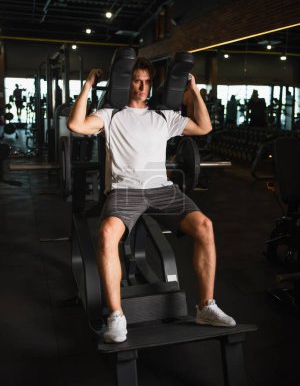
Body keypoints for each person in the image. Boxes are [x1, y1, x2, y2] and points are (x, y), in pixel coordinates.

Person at [67, 57, 236, 343]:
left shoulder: (163, 116)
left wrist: (194, 91)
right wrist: (87, 86)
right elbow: (75, 124)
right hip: (125, 191)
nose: (142, 87)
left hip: (161, 189)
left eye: (147, 82)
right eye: (137, 80)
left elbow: (204, 127)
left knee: (204, 226)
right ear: (126, 81)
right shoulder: (110, 114)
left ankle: (206, 307)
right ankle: (116, 317)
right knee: (107, 233)